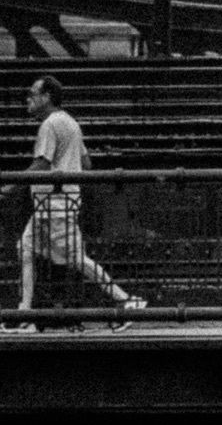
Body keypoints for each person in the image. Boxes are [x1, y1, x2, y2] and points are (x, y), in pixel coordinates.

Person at [11, 77, 142, 320]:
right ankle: (24, 313)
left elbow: (42, 162)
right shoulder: (71, 122)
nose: (28, 98)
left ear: (47, 96)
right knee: (26, 249)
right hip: (57, 203)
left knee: (76, 258)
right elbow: (86, 162)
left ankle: (124, 299)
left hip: (53, 204)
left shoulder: (49, 124)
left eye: (33, 93)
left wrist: (11, 185)